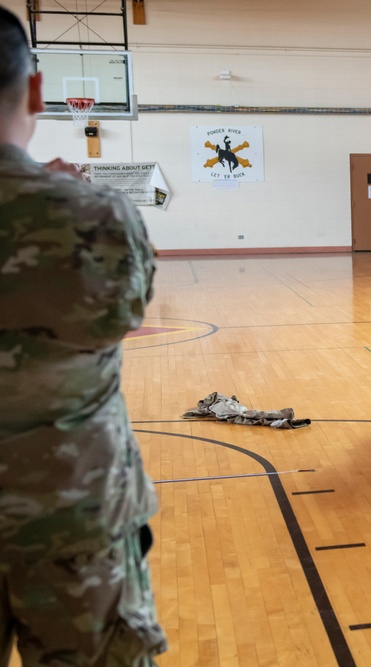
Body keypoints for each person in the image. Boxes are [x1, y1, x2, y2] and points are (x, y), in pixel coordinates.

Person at [0, 7, 167, 665]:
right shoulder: (94, 218)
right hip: (74, 527)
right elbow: (122, 312)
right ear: (36, 91)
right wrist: (61, 198)